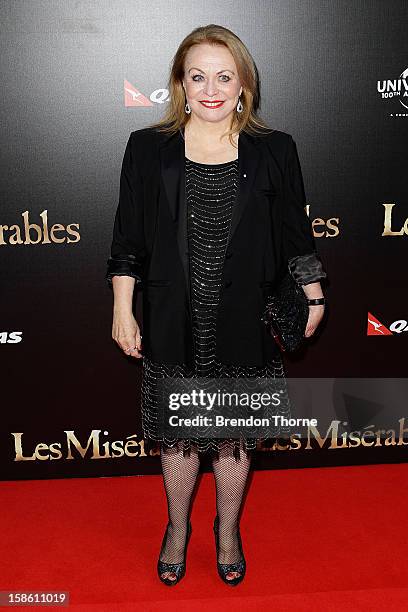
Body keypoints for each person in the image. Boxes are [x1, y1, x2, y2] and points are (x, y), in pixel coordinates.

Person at [106, 24, 327, 586]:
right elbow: (127, 241)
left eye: (224, 77)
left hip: (244, 318)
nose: (211, 89)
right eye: (197, 76)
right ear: (180, 83)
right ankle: (177, 527)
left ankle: (226, 530)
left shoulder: (274, 149)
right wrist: (121, 309)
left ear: (244, 85)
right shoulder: (147, 148)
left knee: (231, 439)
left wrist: (313, 293)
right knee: (180, 437)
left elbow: (296, 235)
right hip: (172, 317)